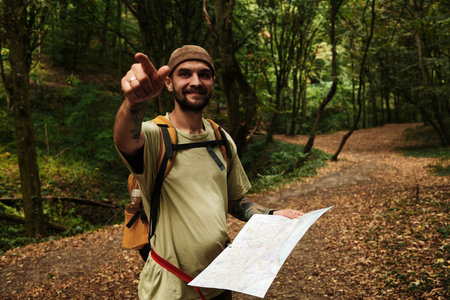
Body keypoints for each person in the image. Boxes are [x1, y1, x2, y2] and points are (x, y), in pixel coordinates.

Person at [114, 45, 303, 300]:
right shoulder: (154, 136)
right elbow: (125, 140)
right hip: (169, 290)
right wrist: (133, 104)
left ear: (213, 82)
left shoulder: (221, 138)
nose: (196, 82)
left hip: (219, 284)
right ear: (168, 82)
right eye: (185, 74)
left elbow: (234, 201)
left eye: (204, 74)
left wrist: (272, 215)